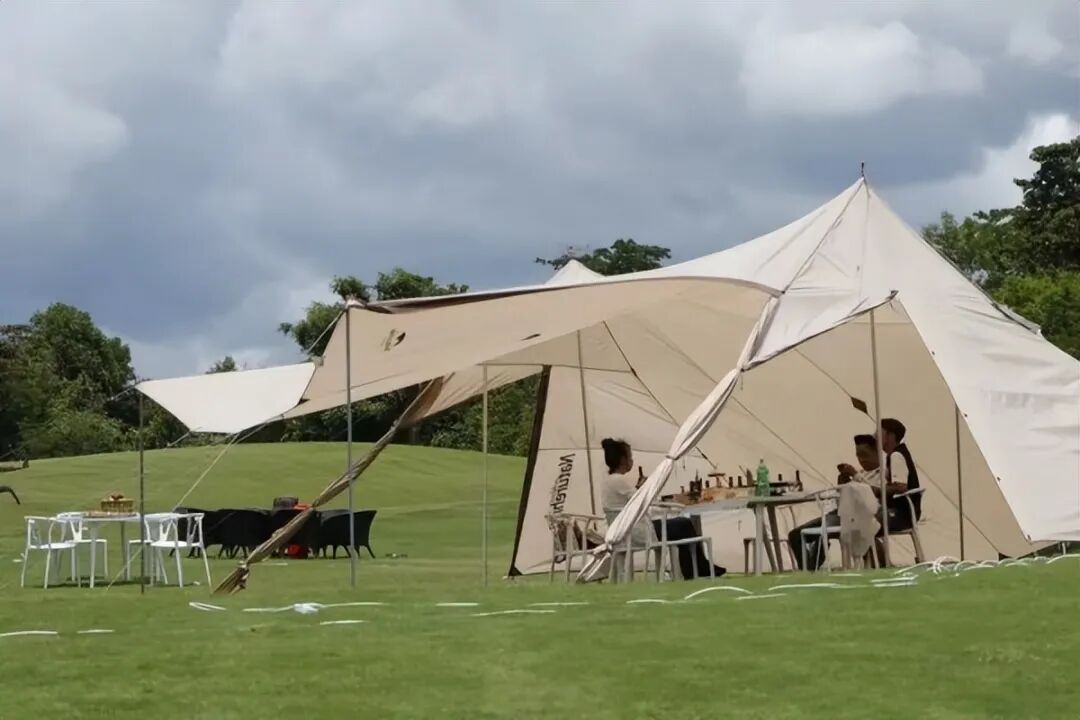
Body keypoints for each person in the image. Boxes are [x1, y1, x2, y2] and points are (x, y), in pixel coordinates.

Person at [601, 438, 726, 579]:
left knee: (680, 525)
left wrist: (639, 488)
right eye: (630, 457)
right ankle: (695, 568)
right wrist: (647, 487)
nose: (632, 460)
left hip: (625, 531)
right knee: (684, 524)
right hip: (636, 531)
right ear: (623, 460)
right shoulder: (618, 480)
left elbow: (630, 502)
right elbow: (642, 502)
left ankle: (696, 567)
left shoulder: (608, 481)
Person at [788, 434, 881, 571]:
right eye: (858, 456)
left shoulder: (882, 473)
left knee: (823, 530)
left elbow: (872, 494)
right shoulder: (862, 473)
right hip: (841, 513)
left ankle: (811, 568)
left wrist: (855, 475)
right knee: (795, 535)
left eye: (865, 455)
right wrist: (843, 481)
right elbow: (843, 498)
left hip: (858, 517)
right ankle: (808, 568)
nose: (861, 460)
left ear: (876, 453)